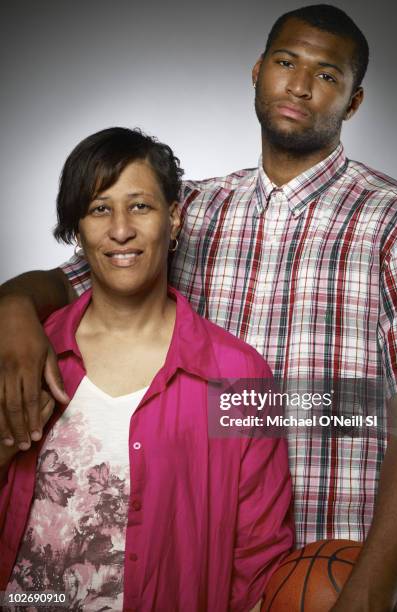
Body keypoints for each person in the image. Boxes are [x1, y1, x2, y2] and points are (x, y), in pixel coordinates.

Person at [0, 3, 397, 611]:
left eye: (327, 75)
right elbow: (67, 281)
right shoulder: (190, 208)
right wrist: (10, 310)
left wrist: (368, 596)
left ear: (353, 102)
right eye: (286, 62)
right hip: (202, 560)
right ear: (256, 71)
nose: (299, 84)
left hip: (334, 570)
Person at [0, 127, 294, 611]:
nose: (120, 230)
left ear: (174, 218)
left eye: (140, 206)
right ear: (78, 228)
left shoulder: (239, 376)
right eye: (99, 209)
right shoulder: (34, 350)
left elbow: (258, 562)